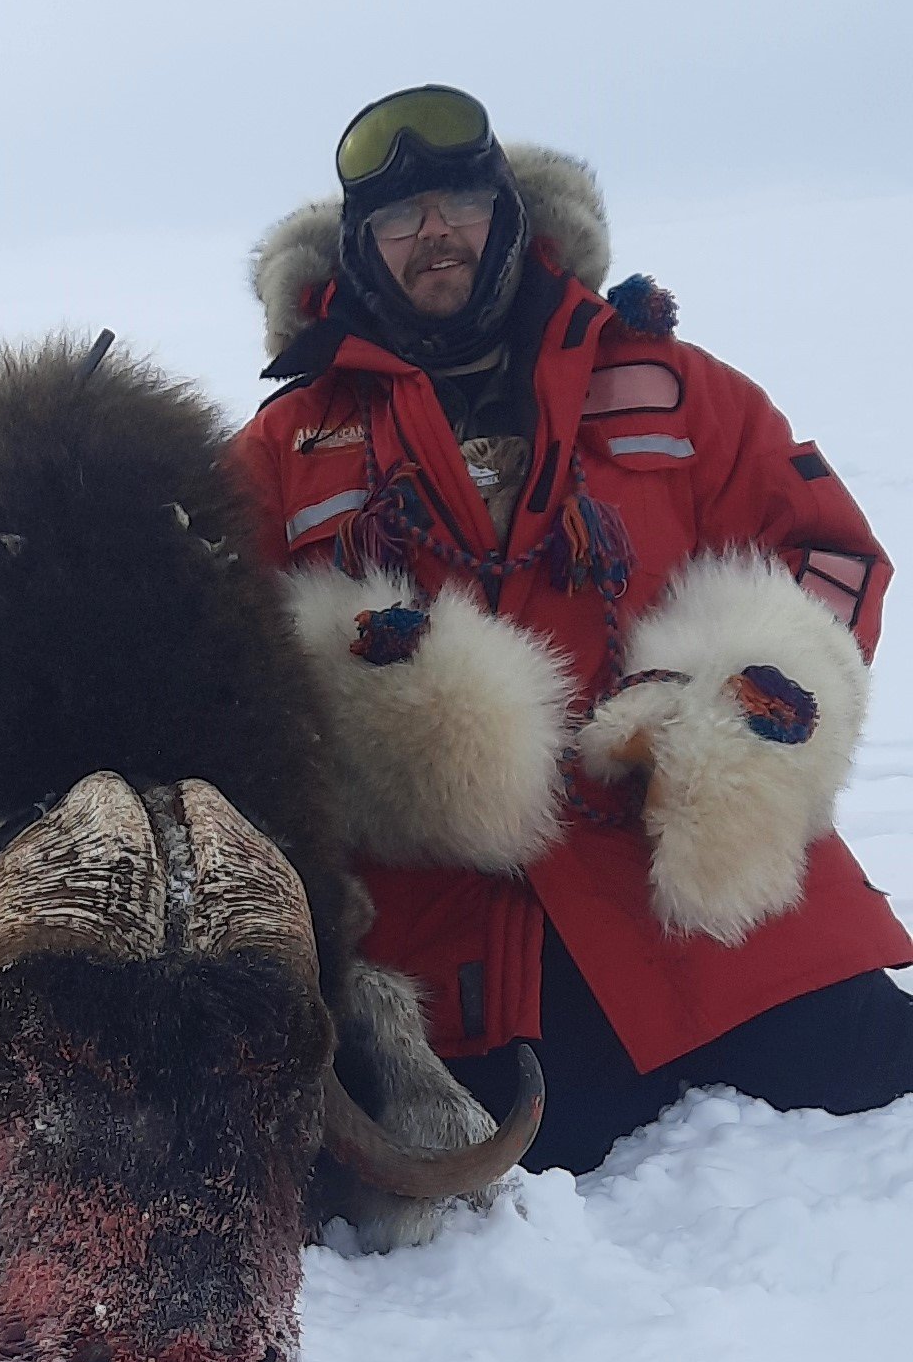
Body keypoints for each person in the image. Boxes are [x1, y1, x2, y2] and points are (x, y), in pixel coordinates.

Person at [227, 85, 913, 1172]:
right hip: (465, 952)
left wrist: (746, 712)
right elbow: (214, 667)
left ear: (505, 210)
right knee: (463, 1186)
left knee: (878, 1094)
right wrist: (364, 702)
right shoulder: (283, 448)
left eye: (456, 199)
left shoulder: (675, 391)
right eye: (401, 219)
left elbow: (832, 557)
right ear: (362, 249)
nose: (435, 233)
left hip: (719, 905)